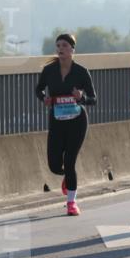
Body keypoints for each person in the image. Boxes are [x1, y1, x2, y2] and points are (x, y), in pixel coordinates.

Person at [35, 33, 97, 215]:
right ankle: (68, 178)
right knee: (54, 165)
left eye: (64, 45)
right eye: (58, 45)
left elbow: (93, 99)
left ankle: (72, 202)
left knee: (70, 161)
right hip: (57, 121)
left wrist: (81, 97)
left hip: (77, 122)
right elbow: (38, 89)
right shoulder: (49, 70)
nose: (60, 49)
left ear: (72, 49)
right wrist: (44, 98)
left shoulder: (81, 71)